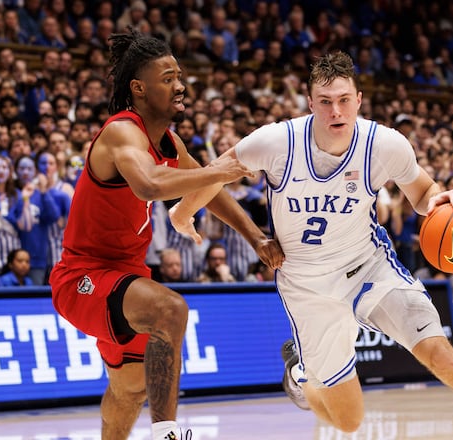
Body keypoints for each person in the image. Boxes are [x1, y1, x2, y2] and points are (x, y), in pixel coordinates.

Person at [170, 52, 453, 438]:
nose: (335, 111)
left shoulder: (384, 144)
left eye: (344, 100)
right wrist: (182, 213)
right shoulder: (276, 141)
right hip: (308, 287)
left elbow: (423, 191)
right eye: (325, 102)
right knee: (348, 420)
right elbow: (215, 174)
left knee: (446, 360)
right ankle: (299, 371)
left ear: (358, 100)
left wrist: (440, 201)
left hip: (369, 267)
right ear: (310, 104)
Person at [49, 29, 283, 440]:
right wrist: (220, 169)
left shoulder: (168, 142)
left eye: (180, 76)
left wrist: (256, 237)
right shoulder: (122, 131)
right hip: (82, 277)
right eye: (169, 77)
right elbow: (149, 185)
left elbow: (203, 188)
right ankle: (167, 433)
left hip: (126, 278)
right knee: (170, 310)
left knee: (129, 390)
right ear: (139, 88)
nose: (181, 85)